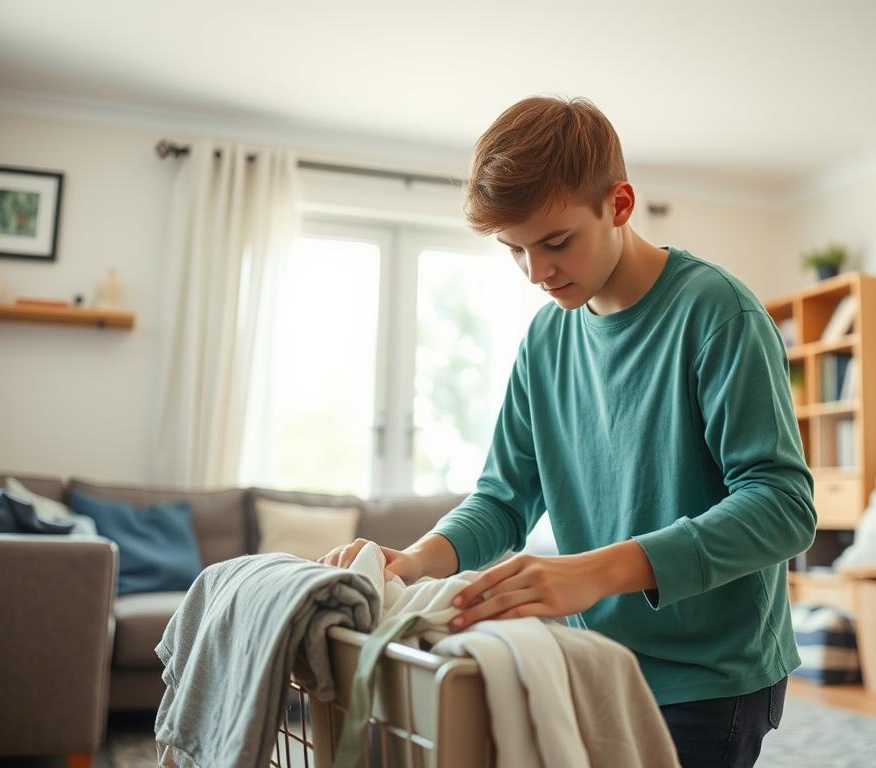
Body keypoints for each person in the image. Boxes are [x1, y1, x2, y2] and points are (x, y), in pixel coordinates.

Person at [320, 95, 816, 767]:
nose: (537, 273)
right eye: (515, 251)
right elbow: (503, 499)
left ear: (618, 204)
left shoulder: (718, 314)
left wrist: (594, 573)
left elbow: (784, 508)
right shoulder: (547, 339)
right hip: (594, 661)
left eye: (555, 243)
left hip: (711, 675)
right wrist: (413, 561)